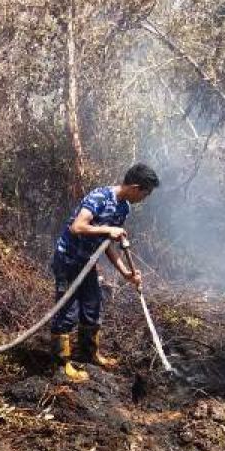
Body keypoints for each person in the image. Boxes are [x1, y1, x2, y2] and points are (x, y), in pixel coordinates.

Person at [50, 163, 160, 382]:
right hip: (68, 260)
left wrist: (126, 273)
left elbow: (106, 245)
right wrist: (108, 229)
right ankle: (62, 365)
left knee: (92, 306)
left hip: (87, 262)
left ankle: (89, 355)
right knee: (68, 310)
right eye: (145, 193)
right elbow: (78, 227)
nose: (145, 199)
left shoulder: (124, 208)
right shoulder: (99, 197)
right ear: (136, 187)